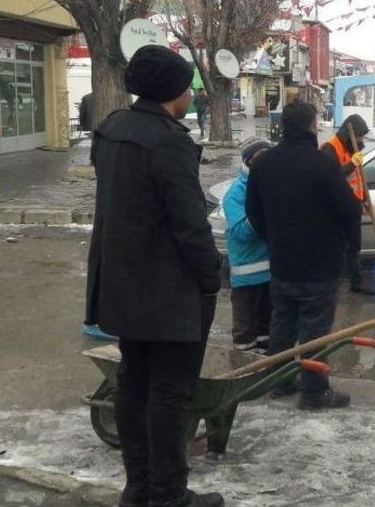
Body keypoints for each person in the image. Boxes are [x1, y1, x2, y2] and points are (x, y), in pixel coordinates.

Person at [85, 45, 223, 507]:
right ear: (172, 91)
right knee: (170, 393)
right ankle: (168, 494)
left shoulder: (110, 131)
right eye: (187, 84)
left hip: (122, 283)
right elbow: (189, 223)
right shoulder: (168, 141)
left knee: (134, 384)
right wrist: (210, 277)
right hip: (167, 290)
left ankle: (139, 487)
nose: (190, 93)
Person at [246, 102, 363, 410]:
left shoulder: (263, 164)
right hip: (320, 264)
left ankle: (280, 381)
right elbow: (350, 209)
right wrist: (350, 248)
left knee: (282, 323)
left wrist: (273, 238)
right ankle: (313, 393)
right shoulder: (322, 164)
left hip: (282, 262)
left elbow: (253, 214)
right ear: (312, 126)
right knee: (314, 329)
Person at [225, 141, 273, 351]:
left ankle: (266, 371)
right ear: (249, 162)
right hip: (246, 279)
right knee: (245, 334)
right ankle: (243, 374)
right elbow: (243, 232)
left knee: (267, 332)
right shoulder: (235, 193)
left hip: (271, 276)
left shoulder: (273, 186)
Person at [319, 114, 374, 295]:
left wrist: (364, 199)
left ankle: (356, 282)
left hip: (352, 206)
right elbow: (332, 176)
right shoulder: (329, 148)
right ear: (349, 134)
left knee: (354, 247)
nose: (360, 140)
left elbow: (358, 178)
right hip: (336, 209)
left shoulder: (351, 148)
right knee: (338, 247)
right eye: (359, 136)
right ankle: (329, 282)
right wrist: (351, 163)